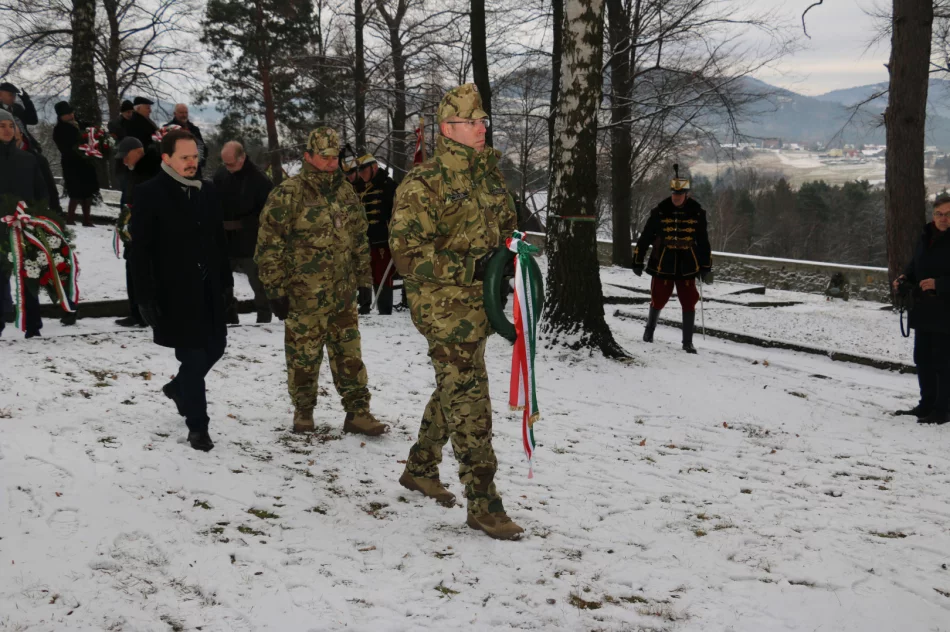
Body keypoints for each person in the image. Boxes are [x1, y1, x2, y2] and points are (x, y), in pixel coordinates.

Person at [389, 83, 523, 540]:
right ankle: (484, 503)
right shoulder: (425, 183)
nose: (482, 128)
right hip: (442, 309)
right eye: (471, 121)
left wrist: (513, 257)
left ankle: (420, 467)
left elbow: (505, 230)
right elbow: (406, 254)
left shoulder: (487, 177)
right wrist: (472, 266)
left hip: (480, 308)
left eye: (483, 120)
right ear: (448, 129)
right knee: (469, 400)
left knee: (454, 387)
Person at [255, 127, 388, 437]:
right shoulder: (289, 193)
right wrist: (274, 289)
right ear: (308, 156)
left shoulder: (346, 194)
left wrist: (365, 280)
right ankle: (303, 412)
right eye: (324, 157)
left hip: (342, 293)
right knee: (304, 355)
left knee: (349, 354)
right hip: (304, 295)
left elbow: (358, 239)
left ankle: (358, 412)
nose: (331, 163)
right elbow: (269, 244)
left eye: (335, 157)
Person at [131, 129, 232, 452]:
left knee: (216, 347)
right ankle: (198, 427)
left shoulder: (209, 191)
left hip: (209, 289)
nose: (192, 163)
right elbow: (140, 251)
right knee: (193, 355)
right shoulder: (149, 193)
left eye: (195, 156)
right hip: (174, 292)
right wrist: (143, 296)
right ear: (166, 159)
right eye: (184, 157)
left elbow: (219, 241)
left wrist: (227, 283)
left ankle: (178, 388)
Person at [632, 166, 712, 353]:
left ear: (686, 194)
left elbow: (703, 241)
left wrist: (705, 265)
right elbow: (645, 237)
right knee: (658, 298)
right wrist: (637, 259)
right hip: (663, 261)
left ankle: (687, 342)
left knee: (689, 300)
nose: (676, 198)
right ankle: (649, 331)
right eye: (674, 195)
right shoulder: (659, 211)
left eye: (680, 195)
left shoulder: (697, 212)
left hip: (688, 264)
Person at [893, 194, 950, 426]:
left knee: (943, 362)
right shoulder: (925, 235)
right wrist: (905, 277)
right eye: (939, 214)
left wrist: (940, 284)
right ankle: (926, 403)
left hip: (946, 312)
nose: (943, 219)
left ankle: (943, 409)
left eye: (947, 214)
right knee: (923, 358)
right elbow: (916, 264)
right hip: (924, 309)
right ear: (933, 215)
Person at [0, 109, 48, 338]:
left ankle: (33, 323)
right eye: (2, 125)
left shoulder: (28, 159)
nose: (8, 130)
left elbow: (40, 192)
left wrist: (38, 216)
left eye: (11, 125)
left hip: (24, 225)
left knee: (29, 272)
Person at [214, 141, 273, 323]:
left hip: (250, 241)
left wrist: (242, 224)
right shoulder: (221, 175)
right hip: (226, 240)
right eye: (225, 163)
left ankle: (263, 317)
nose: (227, 167)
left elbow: (267, 214)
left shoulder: (260, 180)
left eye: (231, 163)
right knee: (222, 283)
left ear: (242, 158)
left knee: (258, 283)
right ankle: (229, 317)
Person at [113, 136, 161, 327]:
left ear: (137, 152)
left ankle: (148, 312)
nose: (124, 160)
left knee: (146, 274)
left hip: (148, 233)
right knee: (132, 270)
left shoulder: (151, 170)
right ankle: (136, 312)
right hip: (133, 231)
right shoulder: (133, 172)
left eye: (126, 156)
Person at [0, 82, 62, 211]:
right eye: (10, 95)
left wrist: (27, 102)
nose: (13, 98)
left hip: (27, 147)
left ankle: (54, 208)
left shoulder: (17, 108)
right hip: (8, 149)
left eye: (15, 95)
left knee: (43, 169)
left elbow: (32, 120)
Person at [355, 153, 397, 316]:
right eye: (359, 171)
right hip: (365, 240)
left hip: (383, 240)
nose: (361, 174)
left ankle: (385, 311)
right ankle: (363, 305)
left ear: (374, 168)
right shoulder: (361, 187)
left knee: (382, 275)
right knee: (365, 272)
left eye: (364, 170)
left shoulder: (388, 186)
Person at [52, 101, 100, 228]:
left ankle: (87, 219)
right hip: (72, 163)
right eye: (67, 114)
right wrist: (80, 149)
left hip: (86, 161)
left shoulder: (81, 124)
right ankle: (71, 218)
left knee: (88, 191)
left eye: (71, 113)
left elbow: (92, 133)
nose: (71, 116)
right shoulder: (59, 129)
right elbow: (65, 147)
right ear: (61, 116)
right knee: (75, 191)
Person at [168, 104, 207, 178]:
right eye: (181, 113)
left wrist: (200, 162)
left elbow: (202, 147)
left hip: (194, 170)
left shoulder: (194, 129)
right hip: (175, 171)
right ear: (175, 113)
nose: (184, 115)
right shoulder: (168, 129)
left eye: (186, 113)